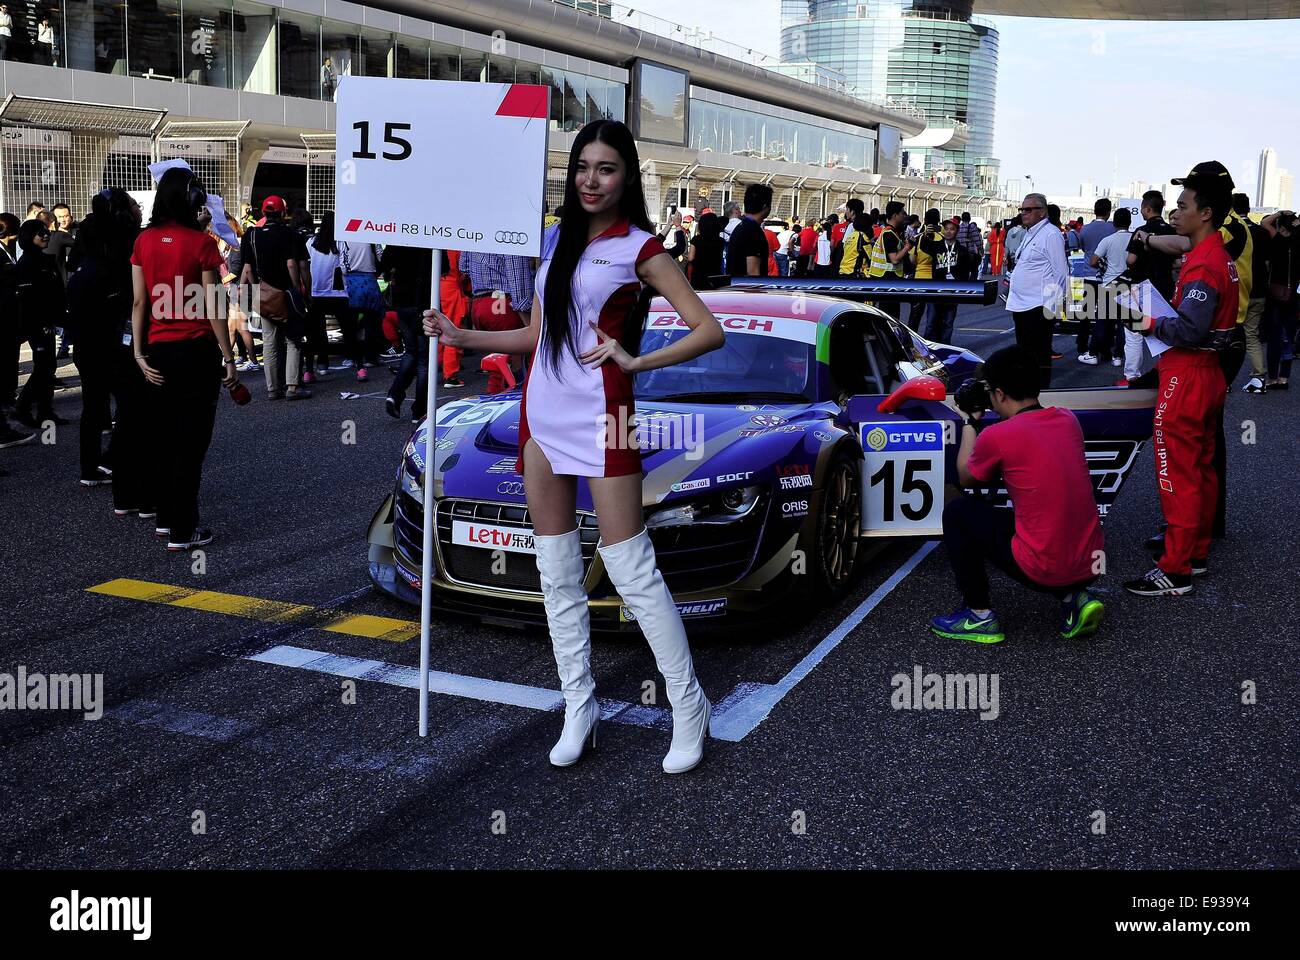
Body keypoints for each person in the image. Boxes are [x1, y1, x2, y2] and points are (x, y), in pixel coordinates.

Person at [422, 118, 725, 774]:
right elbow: (539, 333)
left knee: (631, 569)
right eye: (583, 166)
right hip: (540, 413)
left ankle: (688, 704)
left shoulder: (640, 248)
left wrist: (636, 362)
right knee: (556, 571)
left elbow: (709, 330)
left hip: (605, 414)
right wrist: (461, 337)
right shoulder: (555, 239)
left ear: (626, 177)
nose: (592, 179)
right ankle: (578, 707)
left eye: (607, 168)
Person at [932, 345, 1105, 644]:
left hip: (1044, 568)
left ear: (999, 394)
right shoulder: (1067, 420)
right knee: (1041, 516)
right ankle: (1074, 598)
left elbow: (965, 476)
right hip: (1091, 564)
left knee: (959, 513)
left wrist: (971, 421)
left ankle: (978, 616)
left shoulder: (998, 436)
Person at [1123, 163, 1239, 597]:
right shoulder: (1214, 256)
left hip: (1188, 375)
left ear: (1205, 213)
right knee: (1202, 468)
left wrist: (1147, 321)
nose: (1175, 212)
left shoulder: (1204, 265)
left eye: (1183, 206)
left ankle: (1175, 568)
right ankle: (1195, 552)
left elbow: (1189, 330)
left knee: (1178, 474)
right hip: (1206, 375)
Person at [130, 167, 238, 551]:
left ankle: (165, 519)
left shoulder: (144, 240)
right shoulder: (201, 243)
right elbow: (213, 306)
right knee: (191, 444)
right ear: (191, 199)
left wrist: (139, 353)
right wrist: (229, 359)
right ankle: (183, 529)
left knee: (163, 438)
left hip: (158, 351)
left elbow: (140, 301)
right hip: (195, 353)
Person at [69, 188, 155, 512]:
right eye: (133, 203)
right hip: (118, 333)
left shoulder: (88, 234)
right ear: (122, 210)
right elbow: (137, 294)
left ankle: (91, 468)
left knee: (93, 405)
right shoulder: (129, 240)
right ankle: (124, 472)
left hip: (86, 333)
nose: (138, 207)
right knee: (133, 408)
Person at [240, 195, 310, 400]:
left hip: (266, 296)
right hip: (287, 294)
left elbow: (247, 269)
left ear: (263, 213)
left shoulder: (251, 236)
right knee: (293, 339)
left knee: (269, 342)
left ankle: (272, 388)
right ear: (283, 213)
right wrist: (299, 289)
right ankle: (292, 387)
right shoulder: (291, 235)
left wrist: (257, 290)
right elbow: (296, 265)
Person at [1005, 193, 1067, 389]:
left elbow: (1061, 272)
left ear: (1042, 212)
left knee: (1039, 355)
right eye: (1022, 209)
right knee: (1025, 354)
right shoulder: (1030, 232)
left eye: (1028, 209)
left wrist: (1055, 305)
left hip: (1039, 305)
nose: (1023, 213)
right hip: (1022, 304)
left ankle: (1041, 394)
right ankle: (1027, 392)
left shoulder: (1051, 234)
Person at [460, 248, 535, 393]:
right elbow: (518, 282)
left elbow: (464, 266)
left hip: (479, 303)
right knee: (514, 367)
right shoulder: (512, 235)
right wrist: (532, 324)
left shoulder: (477, 228)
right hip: (500, 303)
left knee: (499, 364)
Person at [12, 219, 65, 428]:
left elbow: (54, 293)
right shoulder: (27, 264)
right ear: (28, 237)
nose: (45, 235)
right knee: (44, 366)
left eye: (46, 232)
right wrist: (43, 321)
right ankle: (22, 406)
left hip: (49, 322)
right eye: (39, 233)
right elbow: (29, 300)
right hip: (37, 324)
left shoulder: (46, 260)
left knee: (48, 366)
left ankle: (45, 411)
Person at [1078, 207, 1134, 367]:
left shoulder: (1108, 240)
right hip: (1128, 284)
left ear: (1114, 222)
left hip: (1109, 283)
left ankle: (1093, 353)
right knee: (1124, 324)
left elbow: (1093, 261)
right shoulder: (1134, 239)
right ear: (1130, 222)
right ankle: (1118, 356)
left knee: (1102, 322)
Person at [304, 211, 349, 379]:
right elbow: (345, 266)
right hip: (338, 292)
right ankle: (360, 367)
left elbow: (305, 265)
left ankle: (311, 370)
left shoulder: (311, 242)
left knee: (315, 333)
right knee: (348, 331)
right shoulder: (340, 242)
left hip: (316, 292)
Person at [919, 217, 977, 344]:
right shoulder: (937, 246)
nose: (949, 231)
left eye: (952, 229)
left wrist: (962, 286)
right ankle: (929, 348)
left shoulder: (962, 250)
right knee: (930, 323)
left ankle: (945, 346)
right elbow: (924, 246)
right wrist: (926, 234)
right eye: (946, 229)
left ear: (957, 231)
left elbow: (967, 270)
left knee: (948, 322)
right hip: (936, 290)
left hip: (952, 291)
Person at [337, 233, 384, 382]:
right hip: (369, 280)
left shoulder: (342, 237)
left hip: (349, 281)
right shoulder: (370, 235)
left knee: (350, 323)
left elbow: (340, 261)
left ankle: (351, 355)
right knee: (372, 319)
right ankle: (371, 356)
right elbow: (380, 255)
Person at [1261, 210, 1298, 391]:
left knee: (1275, 337)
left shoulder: (1276, 238)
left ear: (1280, 225)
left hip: (1275, 295)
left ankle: (1272, 378)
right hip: (1294, 295)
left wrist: (1279, 212)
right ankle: (1284, 377)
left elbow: (1264, 223)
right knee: (1288, 336)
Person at [1076, 198, 1117, 358]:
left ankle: (1081, 345)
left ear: (1094, 210)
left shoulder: (1085, 229)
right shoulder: (1113, 229)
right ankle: (1105, 348)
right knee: (1107, 316)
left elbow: (1083, 248)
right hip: (1107, 277)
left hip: (1087, 274)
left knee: (1084, 315)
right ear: (1108, 212)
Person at [865, 200, 913, 322]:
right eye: (902, 213)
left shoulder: (891, 233)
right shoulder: (889, 234)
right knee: (889, 315)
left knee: (889, 313)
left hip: (885, 278)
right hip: (886, 279)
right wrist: (907, 247)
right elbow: (894, 259)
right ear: (894, 215)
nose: (904, 215)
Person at [725, 184, 773, 278]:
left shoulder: (741, 226)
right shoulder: (754, 232)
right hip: (747, 290)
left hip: (735, 288)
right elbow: (753, 272)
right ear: (765, 206)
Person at [685, 210, 724, 290]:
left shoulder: (696, 240)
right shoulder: (720, 241)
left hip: (699, 276)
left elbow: (690, 258)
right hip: (716, 275)